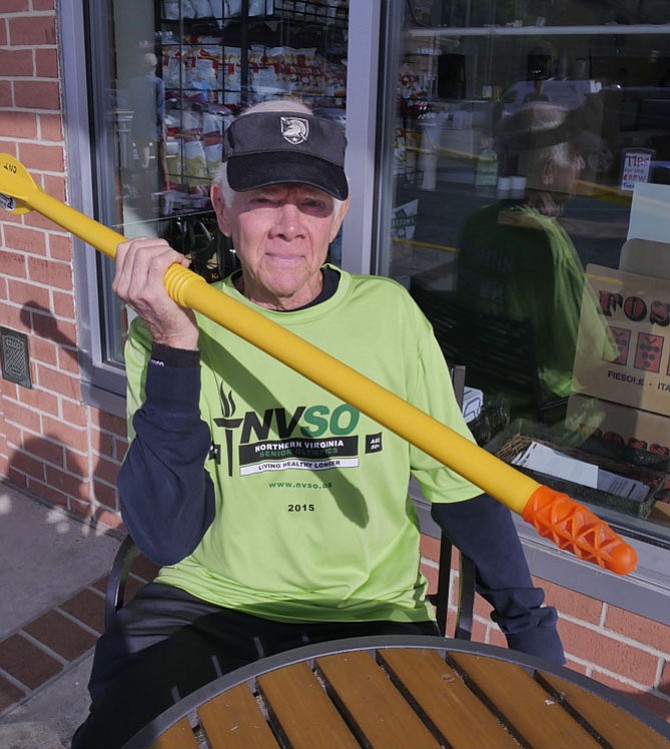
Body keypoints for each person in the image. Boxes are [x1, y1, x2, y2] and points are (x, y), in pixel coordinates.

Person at [72, 99, 564, 748]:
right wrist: (174, 344)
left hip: (368, 609)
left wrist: (528, 625)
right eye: (264, 198)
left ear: (341, 217)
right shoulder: (174, 323)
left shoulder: (389, 318)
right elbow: (164, 536)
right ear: (220, 208)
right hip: (214, 601)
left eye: (311, 203)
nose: (287, 225)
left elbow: (462, 486)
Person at [456, 99, 615, 414]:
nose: (581, 166)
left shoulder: (477, 224)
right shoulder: (546, 243)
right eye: (576, 156)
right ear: (548, 170)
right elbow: (588, 356)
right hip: (548, 406)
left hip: (488, 388)